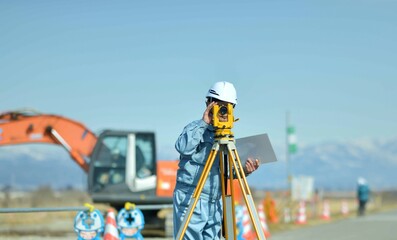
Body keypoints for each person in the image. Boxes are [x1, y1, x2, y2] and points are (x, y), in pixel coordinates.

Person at [173, 81, 260, 239]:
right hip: (191, 197)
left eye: (228, 107)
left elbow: (226, 173)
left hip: (215, 200)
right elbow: (183, 147)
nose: (223, 111)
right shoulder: (195, 128)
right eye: (219, 105)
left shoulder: (227, 138)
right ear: (208, 103)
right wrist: (204, 122)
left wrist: (244, 171)